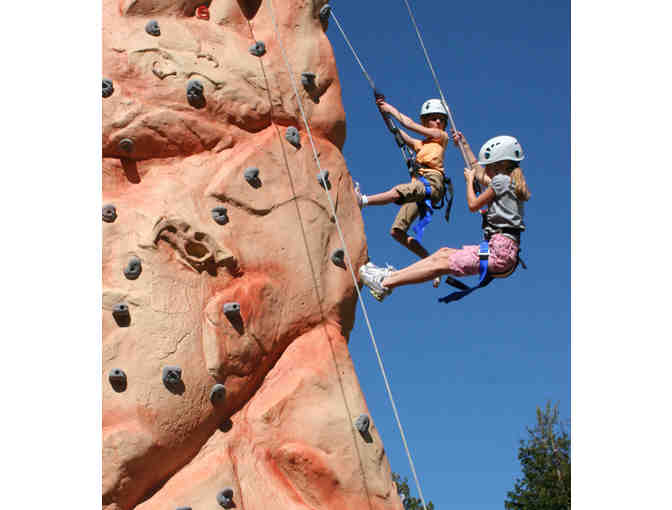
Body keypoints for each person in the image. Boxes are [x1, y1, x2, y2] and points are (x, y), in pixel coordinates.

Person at [358, 131, 531, 301]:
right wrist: (464, 145)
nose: (486, 170)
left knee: (441, 264)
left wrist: (469, 182)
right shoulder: (508, 182)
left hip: (500, 252)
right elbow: (478, 172)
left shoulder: (501, 181)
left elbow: (473, 204)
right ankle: (390, 276)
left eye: (489, 167)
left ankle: (385, 283)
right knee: (443, 253)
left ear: (499, 165)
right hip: (502, 250)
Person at [355, 98, 450, 263]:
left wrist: (390, 108)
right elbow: (397, 131)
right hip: (420, 184)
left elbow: (409, 124)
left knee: (398, 191)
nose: (438, 122)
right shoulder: (420, 144)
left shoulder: (441, 136)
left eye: (441, 119)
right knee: (397, 231)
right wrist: (384, 112)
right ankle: (430, 261)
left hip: (432, 183)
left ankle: (362, 201)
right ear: (425, 121)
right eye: (434, 118)